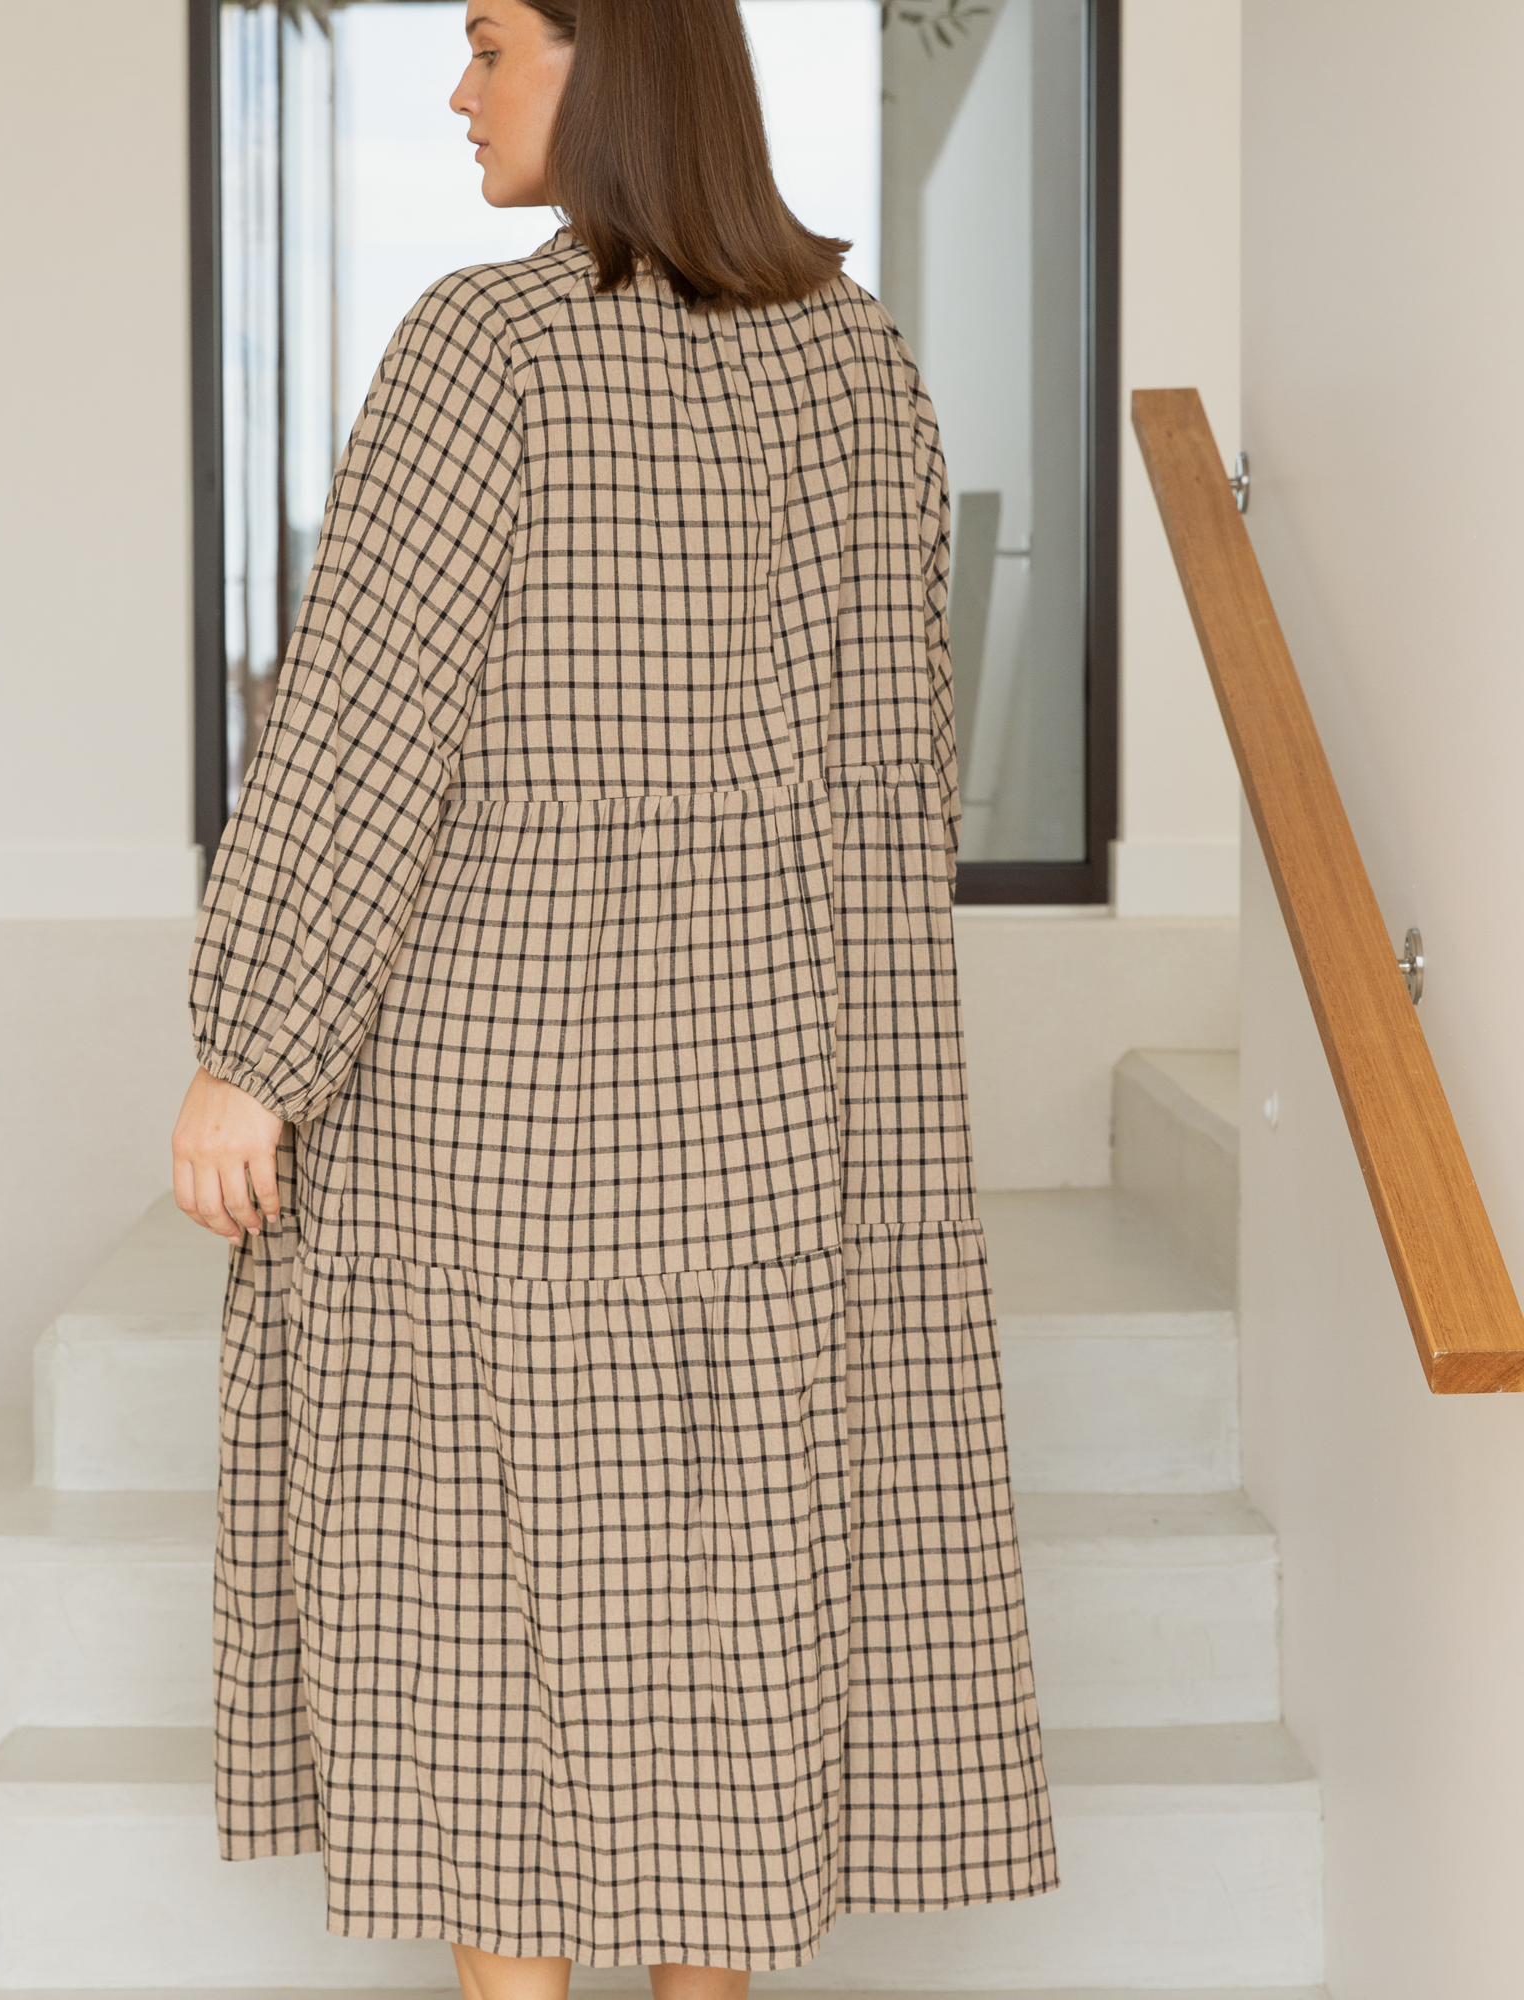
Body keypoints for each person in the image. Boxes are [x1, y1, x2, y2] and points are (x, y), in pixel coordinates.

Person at [171, 0, 1058, 1992]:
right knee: (723, 1627)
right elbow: (893, 793)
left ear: (620, 59)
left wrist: (254, 1047)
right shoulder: (860, 362)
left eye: (493, 43)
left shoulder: (485, 347)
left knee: (493, 1630)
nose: (457, 87)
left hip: (493, 1109)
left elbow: (363, 730)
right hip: (768, 1115)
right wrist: (864, 1120)